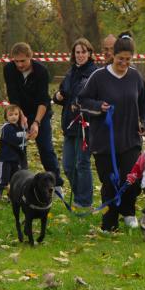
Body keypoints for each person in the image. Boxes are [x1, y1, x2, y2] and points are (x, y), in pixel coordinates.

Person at [78, 31, 145, 232]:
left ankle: (128, 213)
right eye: (120, 59)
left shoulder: (136, 76)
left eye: (128, 60)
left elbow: (144, 101)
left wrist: (144, 121)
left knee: (131, 179)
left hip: (130, 140)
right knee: (110, 181)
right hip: (104, 140)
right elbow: (82, 102)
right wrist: (98, 106)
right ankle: (109, 221)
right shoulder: (99, 77)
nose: (124, 63)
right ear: (113, 56)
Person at [3, 42, 64, 193]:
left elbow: (43, 100)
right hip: (19, 113)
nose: (19, 64)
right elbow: (13, 97)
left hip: (40, 112)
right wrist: (21, 117)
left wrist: (36, 122)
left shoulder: (41, 71)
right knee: (16, 150)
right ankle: (17, 184)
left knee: (46, 149)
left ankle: (56, 185)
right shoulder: (9, 69)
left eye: (22, 61)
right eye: (16, 61)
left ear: (30, 57)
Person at [53, 38, 98, 210]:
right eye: (77, 52)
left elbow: (93, 98)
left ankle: (84, 201)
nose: (80, 55)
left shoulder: (95, 73)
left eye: (83, 52)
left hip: (86, 126)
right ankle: (80, 196)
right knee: (68, 165)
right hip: (69, 125)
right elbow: (63, 93)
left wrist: (83, 104)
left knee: (82, 163)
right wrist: (57, 96)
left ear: (90, 53)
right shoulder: (71, 72)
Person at [0, 104, 27, 199]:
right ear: (6, 117)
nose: (14, 117)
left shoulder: (20, 127)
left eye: (16, 114)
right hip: (6, 159)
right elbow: (12, 139)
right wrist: (25, 137)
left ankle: (11, 194)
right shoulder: (6, 128)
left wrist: (27, 132)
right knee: (3, 177)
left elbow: (24, 136)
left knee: (14, 178)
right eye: (11, 115)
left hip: (16, 159)